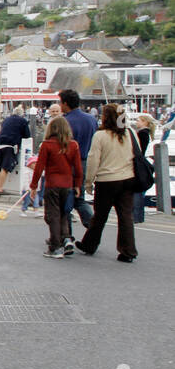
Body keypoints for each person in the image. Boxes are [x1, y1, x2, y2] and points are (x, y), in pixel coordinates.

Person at [77, 104, 137, 262]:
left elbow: (93, 160)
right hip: (128, 178)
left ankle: (90, 244)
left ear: (105, 117)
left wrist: (89, 182)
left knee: (100, 216)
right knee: (125, 216)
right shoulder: (130, 133)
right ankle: (128, 250)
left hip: (107, 180)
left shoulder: (101, 135)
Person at [28, 116, 82, 258]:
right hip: (68, 185)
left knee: (52, 215)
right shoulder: (73, 145)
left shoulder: (47, 144)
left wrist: (34, 186)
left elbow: (39, 167)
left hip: (53, 184)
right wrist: (77, 185)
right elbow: (78, 168)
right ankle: (66, 239)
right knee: (64, 214)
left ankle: (55, 247)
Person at [58, 89, 96, 247]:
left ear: (65, 103)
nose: (60, 105)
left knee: (65, 200)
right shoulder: (91, 119)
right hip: (86, 160)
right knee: (80, 200)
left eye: (60, 102)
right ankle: (93, 227)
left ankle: (67, 236)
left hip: (68, 163)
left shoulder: (65, 121)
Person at [0, 106, 31, 196]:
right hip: (10, 144)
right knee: (5, 168)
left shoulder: (6, 120)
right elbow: (27, 136)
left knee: (0, 167)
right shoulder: (23, 121)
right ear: (22, 114)